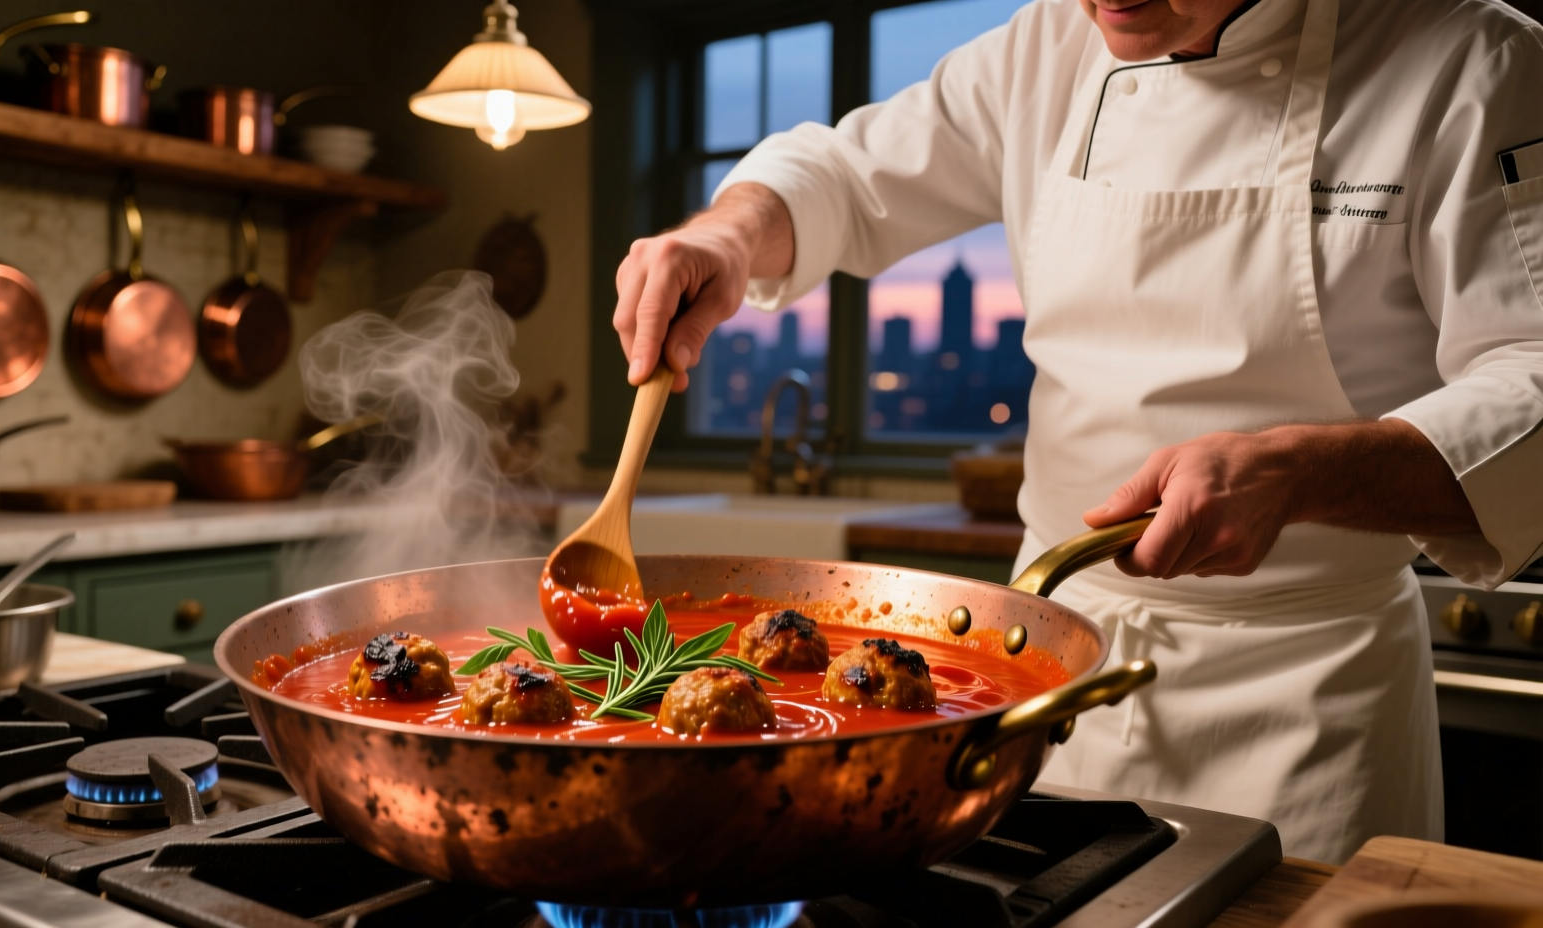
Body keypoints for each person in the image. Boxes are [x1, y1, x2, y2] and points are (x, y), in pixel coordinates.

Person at [610, 0, 1543, 862]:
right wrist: (728, 234)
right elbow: (844, 176)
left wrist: (1300, 470)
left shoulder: (1469, 60)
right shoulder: (1046, 45)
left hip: (1307, 702)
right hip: (1048, 674)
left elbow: (1531, 378)